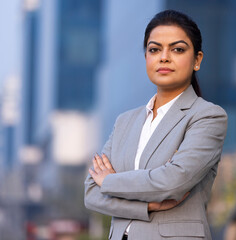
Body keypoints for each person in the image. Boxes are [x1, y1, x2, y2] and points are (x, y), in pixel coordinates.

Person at [84, 9, 227, 240]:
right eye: (154, 49)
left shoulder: (207, 117)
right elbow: (91, 192)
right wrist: (146, 206)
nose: (164, 57)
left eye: (177, 49)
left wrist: (109, 181)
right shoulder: (125, 122)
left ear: (197, 60)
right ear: (146, 58)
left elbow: (171, 182)